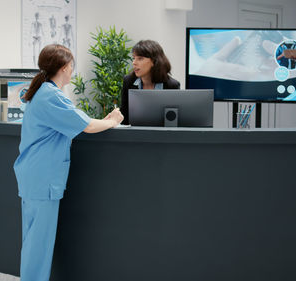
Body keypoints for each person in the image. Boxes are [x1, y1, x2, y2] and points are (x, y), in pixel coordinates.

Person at [13, 44, 123, 281]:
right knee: (38, 244)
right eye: (72, 66)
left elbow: (79, 121)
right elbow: (88, 126)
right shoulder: (51, 96)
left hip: (35, 177)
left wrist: (101, 121)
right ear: (63, 67)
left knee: (33, 241)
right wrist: (113, 121)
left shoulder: (44, 92)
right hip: (43, 179)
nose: (73, 71)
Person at [120, 40, 180, 125]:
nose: (134, 63)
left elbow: (172, 121)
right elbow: (124, 116)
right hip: (134, 134)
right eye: (134, 58)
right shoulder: (128, 81)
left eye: (140, 58)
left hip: (161, 134)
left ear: (154, 61)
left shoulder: (172, 85)